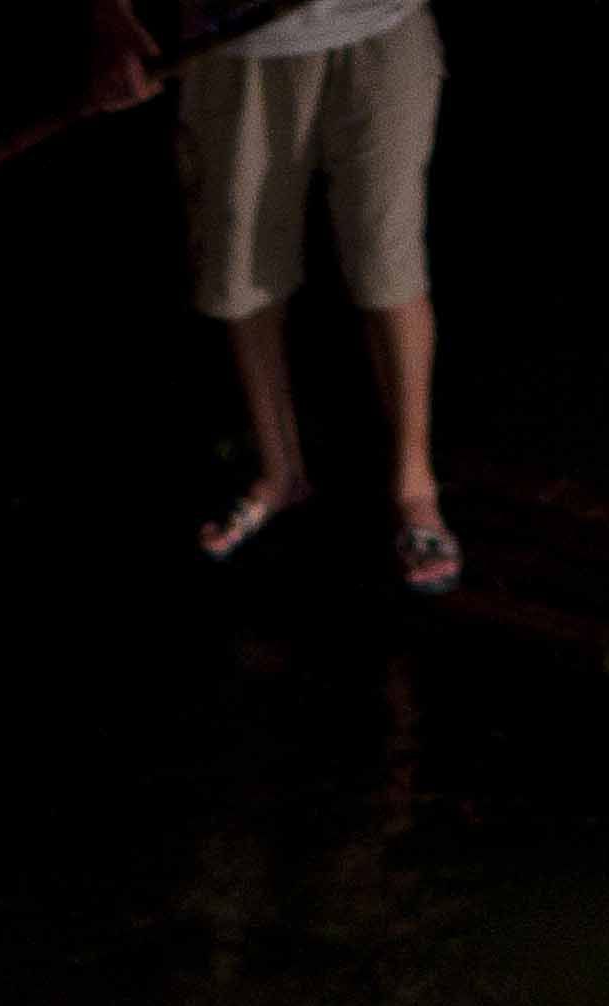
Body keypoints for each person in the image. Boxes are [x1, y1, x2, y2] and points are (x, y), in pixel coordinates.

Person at [167, 0, 455, 592]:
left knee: (387, 265)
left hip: (379, 22)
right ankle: (279, 471)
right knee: (242, 271)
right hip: (236, 41)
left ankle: (414, 487)